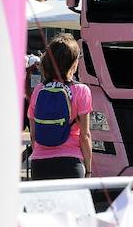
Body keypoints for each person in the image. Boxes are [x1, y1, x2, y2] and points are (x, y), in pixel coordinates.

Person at [27, 33, 92, 180]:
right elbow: (85, 135)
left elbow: (33, 134)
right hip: (70, 164)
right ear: (74, 63)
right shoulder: (82, 90)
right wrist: (88, 169)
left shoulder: (39, 90)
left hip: (39, 165)